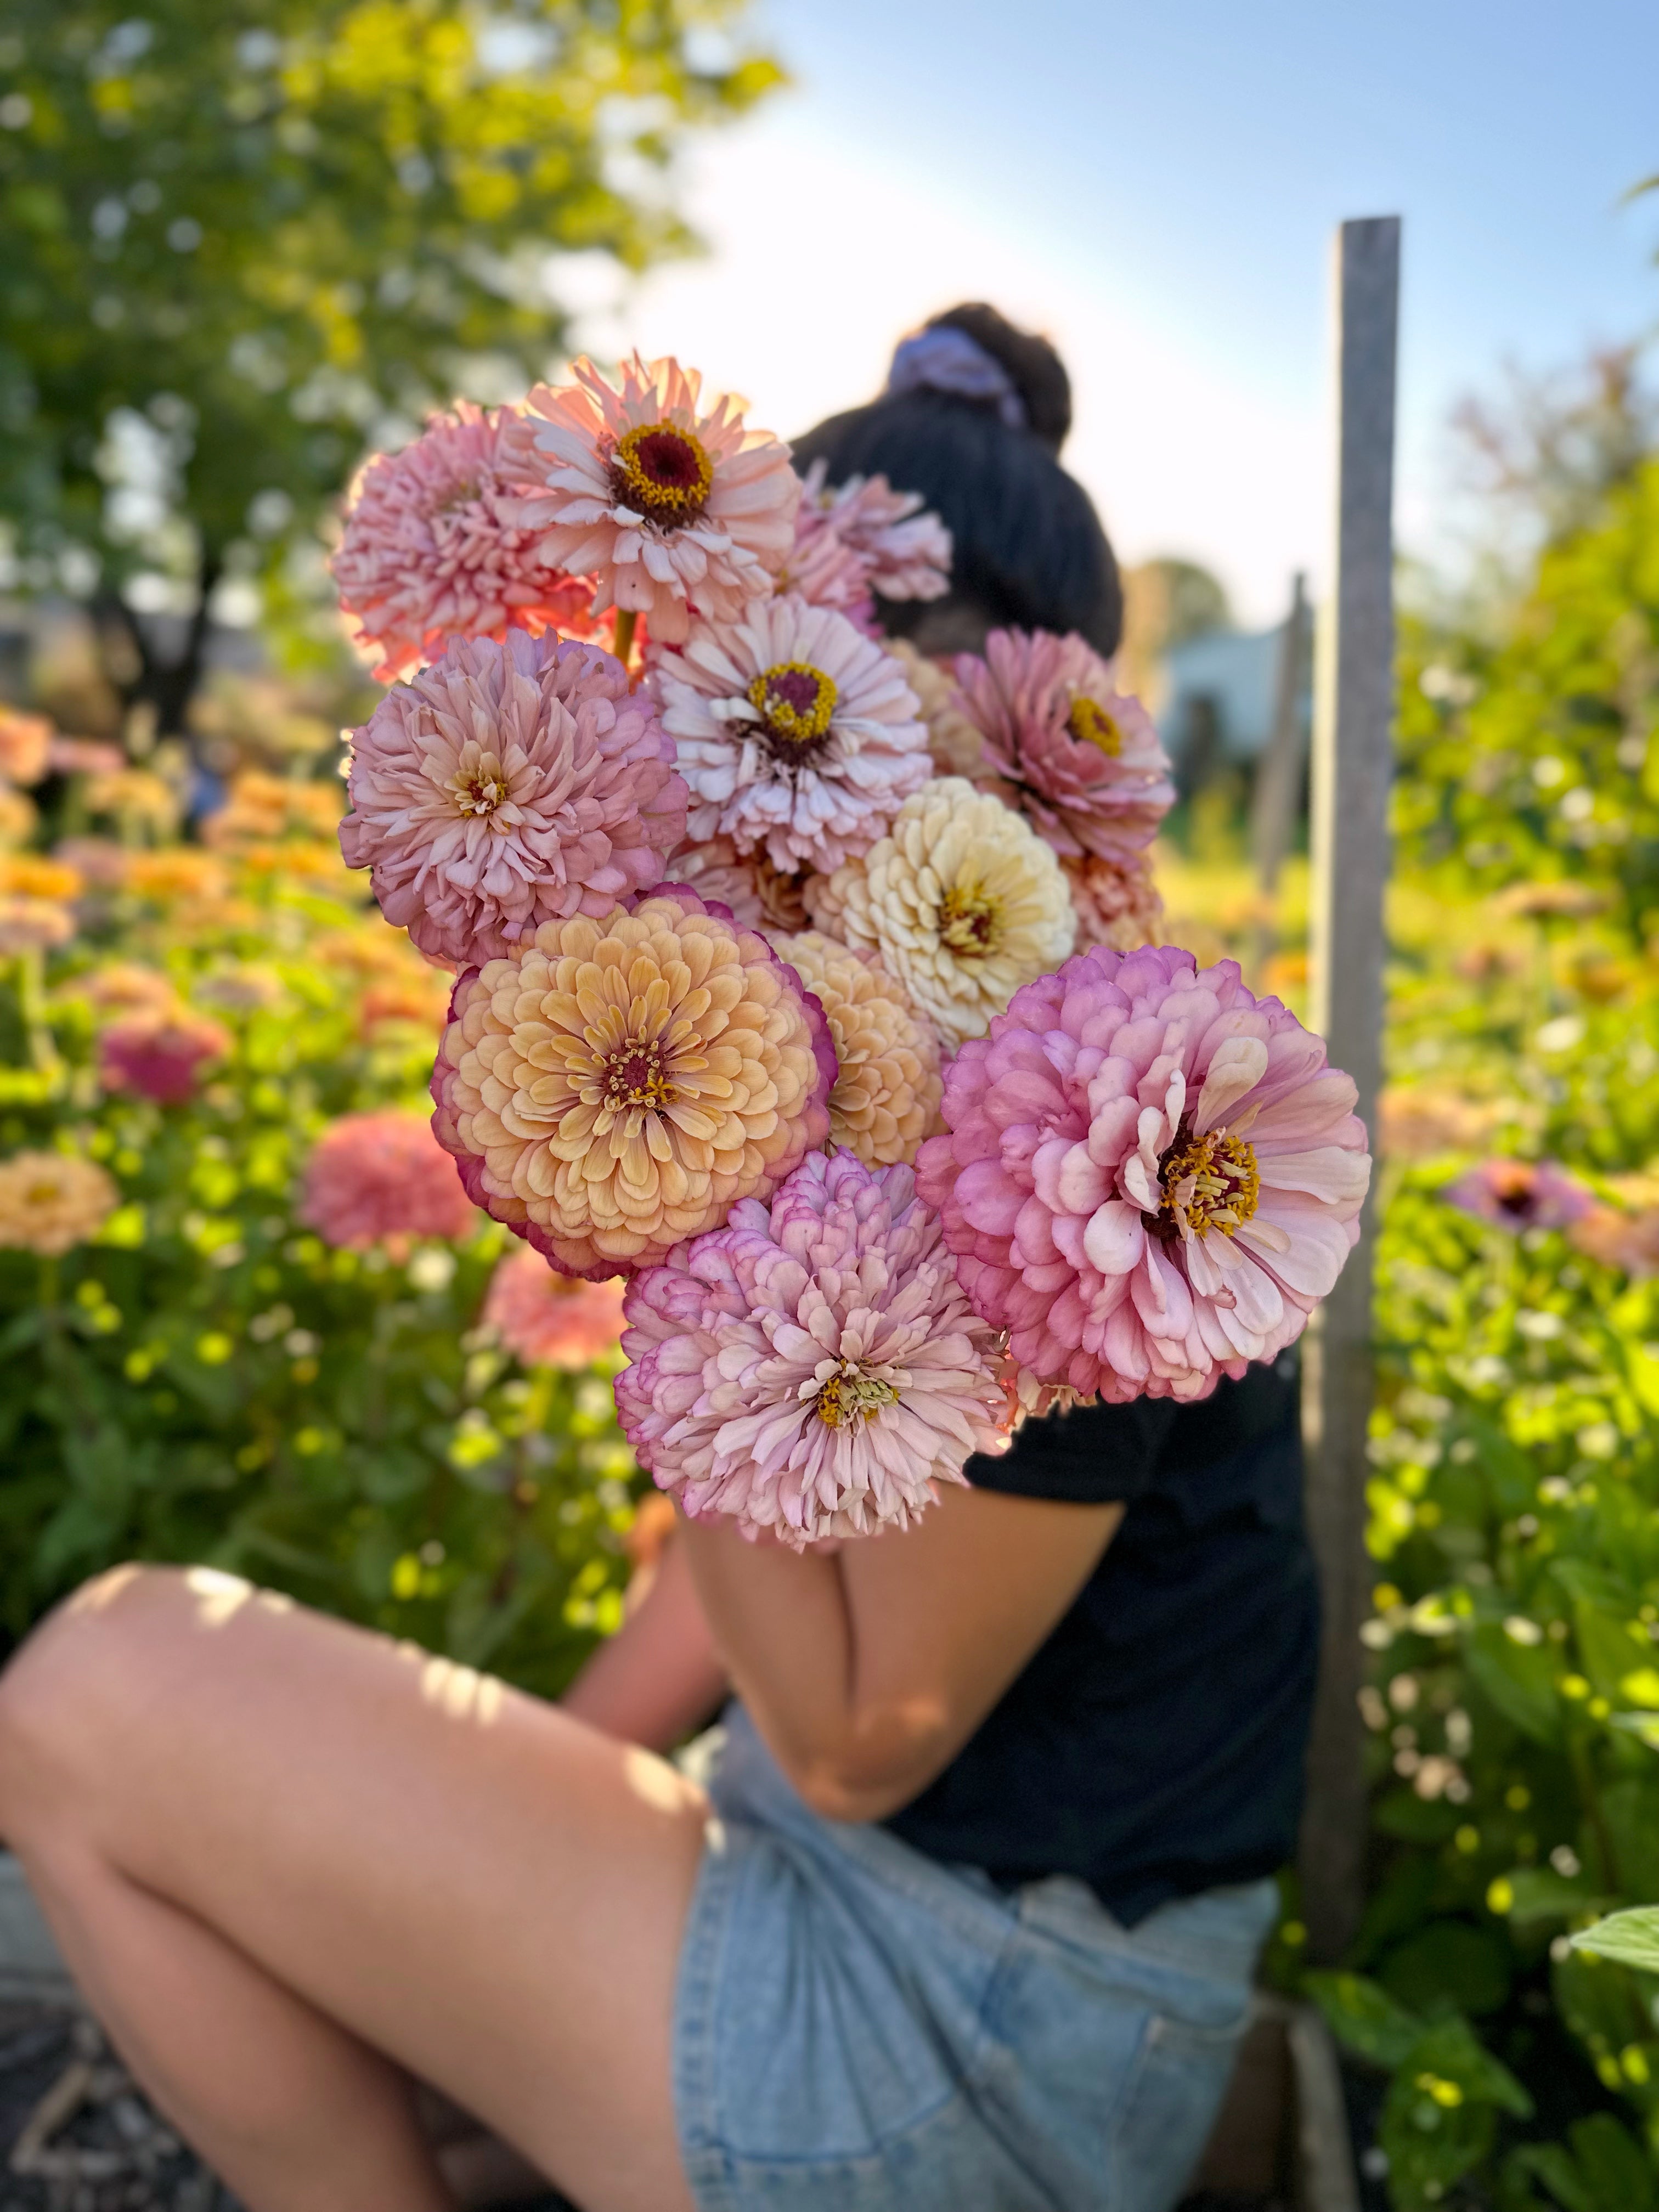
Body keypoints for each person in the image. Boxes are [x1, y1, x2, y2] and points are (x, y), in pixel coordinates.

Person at [0, 307, 1318, 2212]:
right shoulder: (870, 1007)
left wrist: (684, 1265)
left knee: (87, 1692)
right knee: (266, 1906)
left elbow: (868, 1732)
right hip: (858, 1906)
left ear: (951, 707)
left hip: (964, 2033)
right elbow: (796, 1561)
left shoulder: (1080, 1105)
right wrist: (443, 1833)